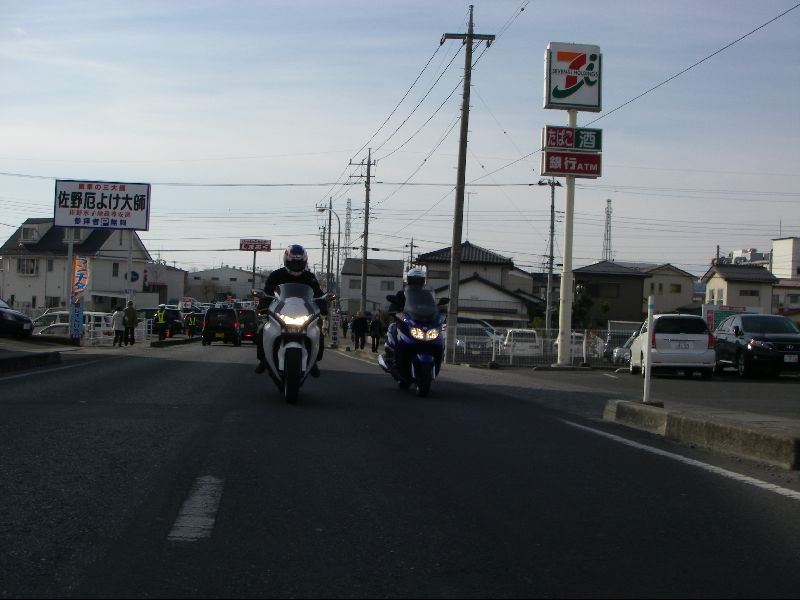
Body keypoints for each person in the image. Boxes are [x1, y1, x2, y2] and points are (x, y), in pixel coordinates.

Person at [254, 244, 327, 376]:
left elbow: (318, 293)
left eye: (299, 264)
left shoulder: (309, 277)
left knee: (318, 331)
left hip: (304, 313)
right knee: (263, 328)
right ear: (287, 261)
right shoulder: (277, 275)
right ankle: (263, 360)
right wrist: (263, 302)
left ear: (304, 262)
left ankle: (313, 361)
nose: (296, 266)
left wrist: (323, 303)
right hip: (280, 312)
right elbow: (267, 291)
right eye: (293, 263)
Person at [384, 266, 428, 364]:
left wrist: (437, 312)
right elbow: (393, 307)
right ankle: (391, 354)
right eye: (414, 280)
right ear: (409, 280)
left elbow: (432, 307)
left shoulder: (426, 295)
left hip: (420, 324)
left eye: (419, 280)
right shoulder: (402, 294)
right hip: (405, 322)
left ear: (422, 281)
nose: (416, 283)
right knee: (393, 327)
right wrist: (395, 311)